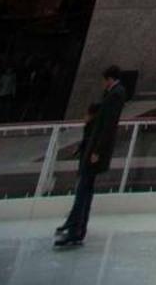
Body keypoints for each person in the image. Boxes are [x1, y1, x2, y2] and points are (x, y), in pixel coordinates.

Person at [54, 65, 127, 249]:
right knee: (84, 189)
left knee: (83, 190)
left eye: (104, 80)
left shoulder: (116, 94)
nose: (102, 84)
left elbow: (108, 124)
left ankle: (76, 229)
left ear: (109, 79)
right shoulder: (113, 93)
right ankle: (74, 226)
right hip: (92, 148)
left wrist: (97, 150)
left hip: (95, 151)